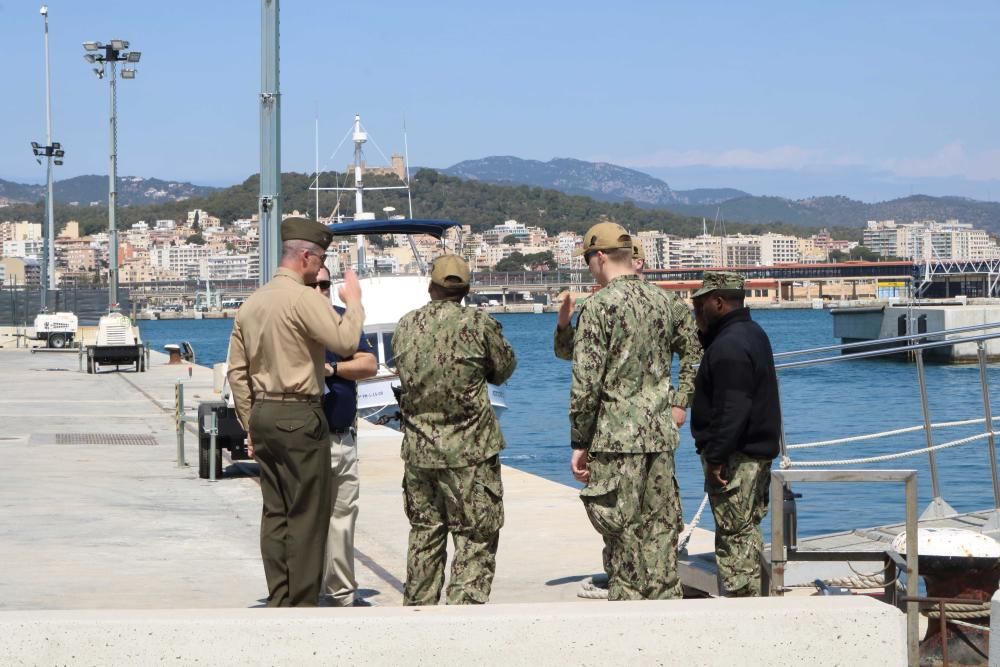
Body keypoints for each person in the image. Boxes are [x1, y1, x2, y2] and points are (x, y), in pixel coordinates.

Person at [226, 217, 365, 608]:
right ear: (305, 256)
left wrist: (250, 421)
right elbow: (345, 339)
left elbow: (237, 371)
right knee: (308, 513)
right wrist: (353, 301)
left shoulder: (251, 304)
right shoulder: (304, 299)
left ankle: (280, 596)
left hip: (264, 415)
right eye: (319, 257)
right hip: (300, 414)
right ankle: (301, 605)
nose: (319, 264)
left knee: (275, 512)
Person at [568, 223, 699, 601]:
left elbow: (585, 384)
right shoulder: (666, 303)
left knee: (621, 535)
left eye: (590, 260)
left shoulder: (598, 307)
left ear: (601, 257)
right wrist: (679, 400)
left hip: (615, 439)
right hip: (658, 435)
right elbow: (693, 351)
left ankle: (628, 614)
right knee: (659, 532)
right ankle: (664, 612)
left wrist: (580, 441)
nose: (590, 267)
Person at [393, 254, 516, 605]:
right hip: (471, 451)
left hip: (419, 451)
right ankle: (465, 615)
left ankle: (418, 611)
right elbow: (504, 369)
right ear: (467, 289)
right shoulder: (479, 324)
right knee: (475, 536)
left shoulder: (406, 325)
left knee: (424, 534)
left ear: (430, 285)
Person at [689, 271, 781, 597]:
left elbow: (733, 408)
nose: (695, 313)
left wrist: (715, 458)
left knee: (733, 535)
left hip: (736, 458)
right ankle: (755, 601)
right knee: (746, 528)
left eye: (699, 306)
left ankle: (744, 606)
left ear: (718, 302)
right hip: (757, 453)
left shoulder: (729, 346)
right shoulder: (752, 334)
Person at [309, 266, 378, 607]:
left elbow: (369, 364)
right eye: (314, 284)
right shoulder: (292, 322)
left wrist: (334, 369)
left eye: (325, 284)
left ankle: (340, 591)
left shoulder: (342, 320)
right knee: (307, 519)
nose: (320, 290)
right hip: (303, 440)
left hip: (340, 437)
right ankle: (305, 588)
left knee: (342, 516)